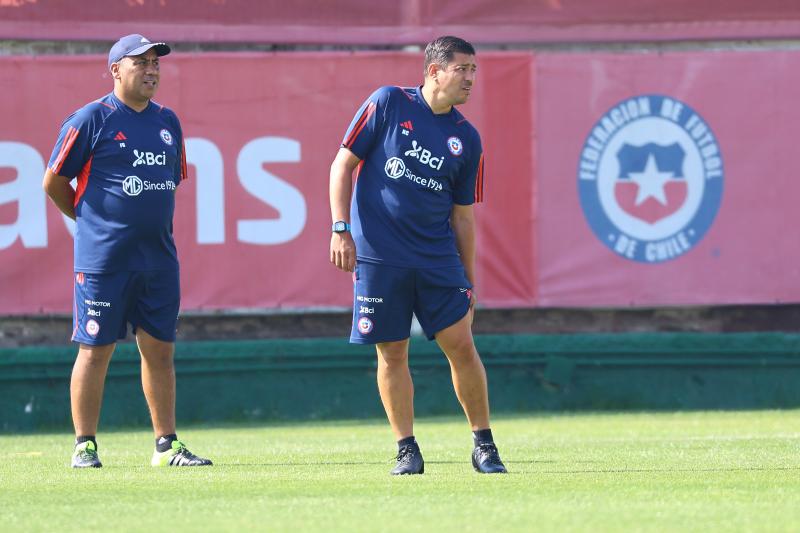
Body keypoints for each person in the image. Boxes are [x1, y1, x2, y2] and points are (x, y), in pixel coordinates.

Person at [329, 36, 506, 475]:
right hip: (380, 257)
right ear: (433, 71)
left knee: (462, 345)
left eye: (473, 70)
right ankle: (407, 449)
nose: (469, 79)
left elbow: (463, 217)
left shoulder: (466, 138)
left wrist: (469, 279)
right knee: (392, 352)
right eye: (461, 69)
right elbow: (342, 165)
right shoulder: (388, 103)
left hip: (436, 258)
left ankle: (484, 446)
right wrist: (340, 229)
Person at [43, 34, 211, 468]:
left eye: (156, 63)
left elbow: (170, 181)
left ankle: (166, 445)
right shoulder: (90, 119)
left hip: (158, 258)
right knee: (95, 349)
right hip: (104, 260)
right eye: (141, 62)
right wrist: (91, 221)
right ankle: (84, 446)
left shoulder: (167, 121)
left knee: (159, 350)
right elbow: (54, 182)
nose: (152, 70)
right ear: (116, 69)